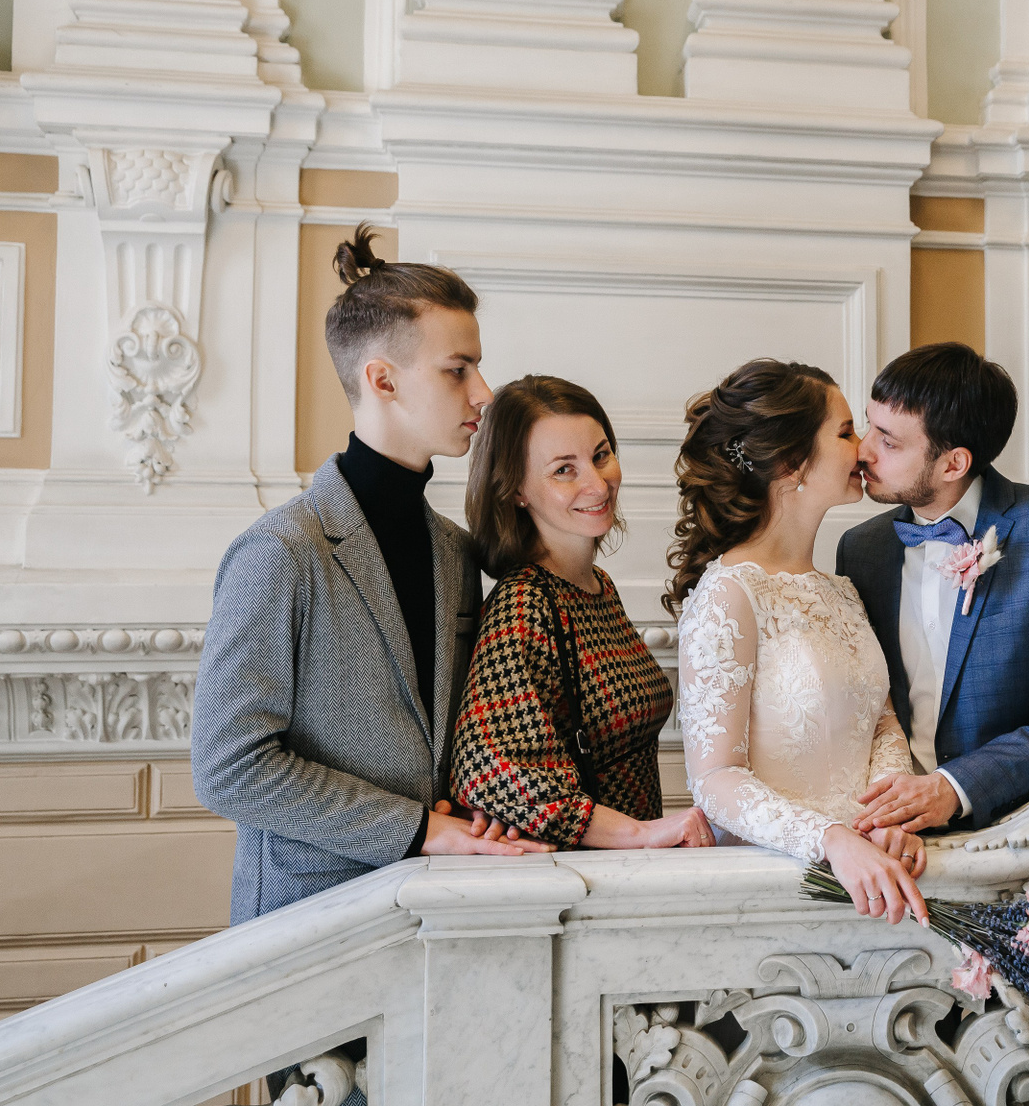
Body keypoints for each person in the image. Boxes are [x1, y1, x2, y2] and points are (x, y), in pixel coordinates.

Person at [192, 226, 544, 1103]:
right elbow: (229, 767)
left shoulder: (454, 550)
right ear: (382, 379)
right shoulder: (280, 552)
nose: (483, 392)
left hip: (439, 927)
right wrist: (416, 829)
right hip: (314, 940)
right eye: (459, 369)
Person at [667, 359, 930, 925]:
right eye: (846, 432)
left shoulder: (842, 591)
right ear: (790, 463)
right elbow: (715, 778)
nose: (864, 448)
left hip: (874, 871)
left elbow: (881, 723)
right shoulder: (729, 595)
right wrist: (830, 838)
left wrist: (886, 818)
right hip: (780, 881)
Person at [836, 343, 1029, 836]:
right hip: (881, 831)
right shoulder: (861, 548)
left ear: (953, 464)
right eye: (869, 426)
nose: (863, 450)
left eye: (889, 441)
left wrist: (954, 787)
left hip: (1014, 830)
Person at [449, 375, 713, 850]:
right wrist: (637, 832)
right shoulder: (524, 603)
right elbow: (486, 773)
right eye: (564, 470)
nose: (597, 483)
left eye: (601, 455)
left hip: (629, 868)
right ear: (516, 490)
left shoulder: (597, 587)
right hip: (585, 873)